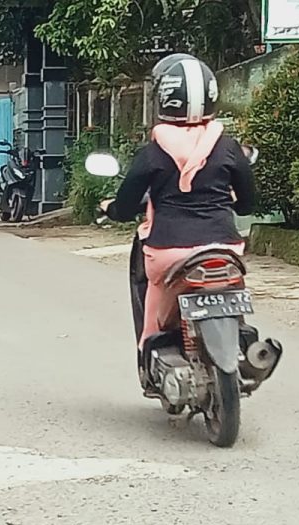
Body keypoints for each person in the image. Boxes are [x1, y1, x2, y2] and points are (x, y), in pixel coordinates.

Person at [101, 54, 255, 355]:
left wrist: (111, 209)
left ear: (163, 98)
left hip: (167, 251)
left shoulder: (153, 152)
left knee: (154, 291)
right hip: (225, 248)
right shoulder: (229, 147)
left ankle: (150, 352)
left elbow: (126, 203)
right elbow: (248, 203)